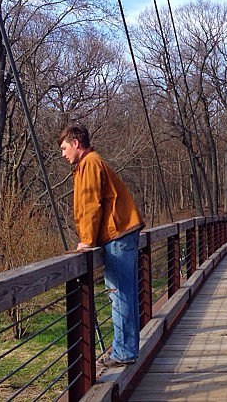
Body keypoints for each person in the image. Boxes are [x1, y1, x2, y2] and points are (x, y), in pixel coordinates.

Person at [58, 123, 145, 368]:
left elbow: (89, 205)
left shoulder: (89, 163)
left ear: (76, 144)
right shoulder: (93, 162)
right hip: (121, 233)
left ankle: (124, 352)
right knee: (125, 293)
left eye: (64, 148)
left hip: (117, 235)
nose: (63, 154)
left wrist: (86, 240)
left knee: (119, 294)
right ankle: (126, 349)